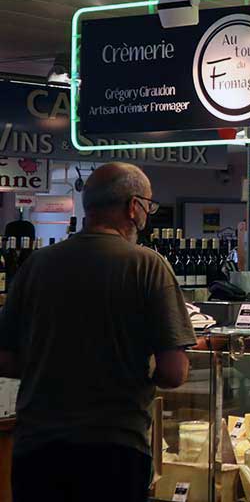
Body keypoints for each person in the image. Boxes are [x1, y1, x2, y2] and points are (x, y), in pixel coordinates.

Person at [0, 163, 196, 502]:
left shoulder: (36, 265)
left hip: (37, 448)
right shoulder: (147, 265)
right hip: (114, 448)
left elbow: (4, 360)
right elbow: (174, 373)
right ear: (133, 207)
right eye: (148, 206)